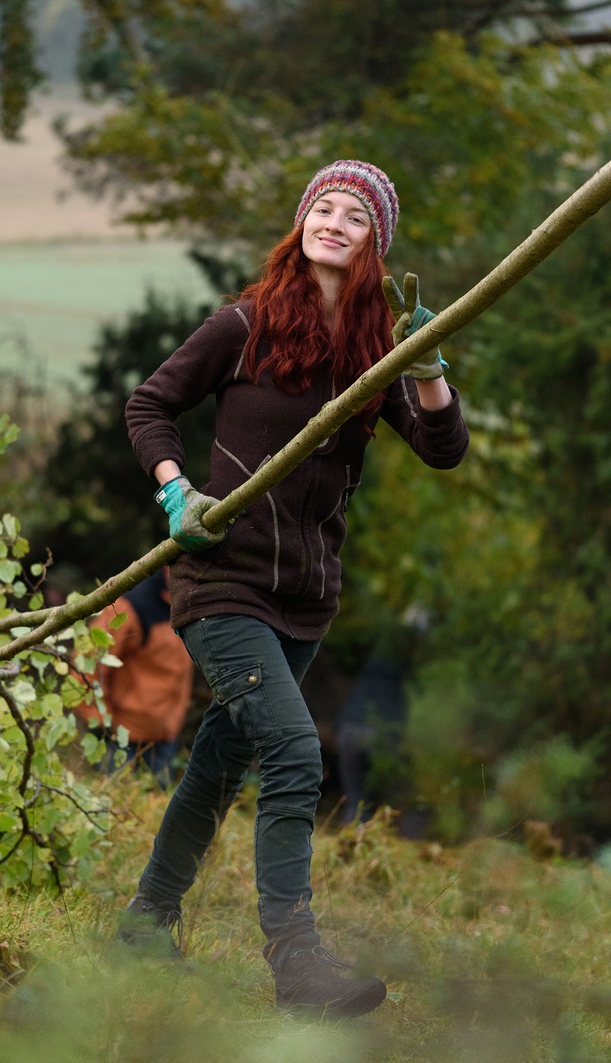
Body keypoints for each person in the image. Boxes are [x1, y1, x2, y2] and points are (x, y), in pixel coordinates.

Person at [119, 159, 469, 1017]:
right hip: (220, 581)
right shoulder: (243, 325)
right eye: (325, 207)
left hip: (306, 602)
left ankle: (143, 924)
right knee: (294, 750)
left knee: (215, 765)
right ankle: (297, 961)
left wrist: (425, 366)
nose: (336, 221)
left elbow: (443, 449)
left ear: (373, 246)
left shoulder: (373, 353)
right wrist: (175, 492)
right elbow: (148, 405)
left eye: (356, 216)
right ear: (302, 223)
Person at [74, 567, 193, 784]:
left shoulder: (190, 604)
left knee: (157, 814)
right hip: (120, 738)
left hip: (165, 737)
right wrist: (101, 723)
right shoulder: (129, 606)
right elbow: (87, 664)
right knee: (112, 809)